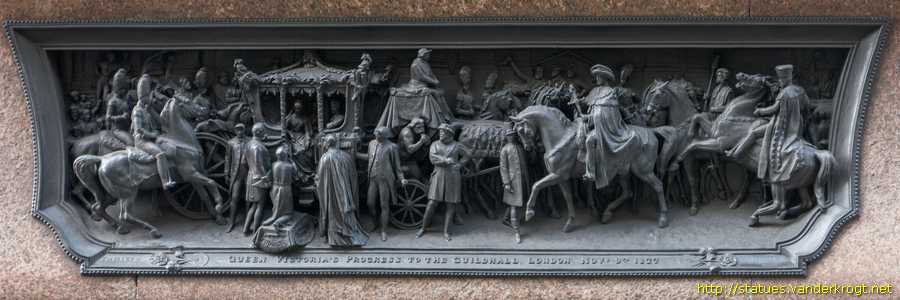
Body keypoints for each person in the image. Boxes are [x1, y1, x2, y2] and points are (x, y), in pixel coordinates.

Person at [729, 65, 809, 184]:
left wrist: (760, 111)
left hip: (781, 125)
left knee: (754, 133)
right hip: (797, 126)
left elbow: (774, 109)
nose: (780, 82)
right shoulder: (800, 91)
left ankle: (736, 154)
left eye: (781, 79)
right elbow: (806, 107)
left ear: (787, 79)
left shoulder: (784, 93)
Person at [570, 64, 646, 188]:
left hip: (606, 129)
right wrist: (576, 100)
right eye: (596, 77)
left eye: (599, 77)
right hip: (592, 124)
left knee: (590, 140)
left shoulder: (610, 92)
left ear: (605, 78)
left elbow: (608, 115)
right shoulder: (594, 91)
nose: (597, 79)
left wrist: (589, 118)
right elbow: (585, 102)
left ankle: (591, 172)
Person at [417, 124, 469, 241]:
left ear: (449, 134)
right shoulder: (435, 144)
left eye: (443, 132)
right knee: (432, 203)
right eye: (440, 132)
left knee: (450, 205)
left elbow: (467, 155)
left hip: (453, 176)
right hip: (438, 175)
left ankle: (446, 231)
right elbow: (433, 158)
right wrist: (445, 160)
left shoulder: (457, 145)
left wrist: (459, 165)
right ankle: (423, 227)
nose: (440, 134)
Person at [317, 134, 368, 247]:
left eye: (324, 143)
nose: (322, 145)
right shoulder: (346, 156)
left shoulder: (325, 158)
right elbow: (353, 176)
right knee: (344, 211)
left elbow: (320, 180)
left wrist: (317, 183)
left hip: (331, 193)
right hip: (346, 193)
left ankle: (336, 238)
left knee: (333, 212)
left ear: (328, 144)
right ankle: (349, 232)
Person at [356, 127, 406, 241]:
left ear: (385, 136)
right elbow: (369, 158)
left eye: (379, 135)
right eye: (376, 134)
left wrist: (402, 178)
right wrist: (355, 154)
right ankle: (376, 222)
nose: (376, 136)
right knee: (370, 203)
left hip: (385, 180)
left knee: (384, 205)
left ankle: (384, 230)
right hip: (373, 178)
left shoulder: (392, 147)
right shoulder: (372, 144)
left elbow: (397, 166)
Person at [131, 74, 177, 190]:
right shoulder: (137, 110)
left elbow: (160, 121)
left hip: (154, 138)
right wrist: (153, 134)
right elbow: (139, 130)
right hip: (142, 141)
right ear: (142, 97)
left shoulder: (148, 109)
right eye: (148, 97)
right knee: (160, 154)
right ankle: (165, 182)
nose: (151, 99)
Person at [499, 128, 528, 244]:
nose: (512, 137)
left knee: (515, 203)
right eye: (509, 135)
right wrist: (506, 183)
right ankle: (517, 232)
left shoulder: (520, 147)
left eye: (513, 135)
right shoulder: (505, 150)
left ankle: (506, 219)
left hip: (522, 180)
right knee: (514, 207)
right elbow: (503, 167)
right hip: (512, 181)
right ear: (506, 137)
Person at [243, 123, 272, 235]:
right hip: (259, 178)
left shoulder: (248, 144)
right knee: (260, 206)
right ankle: (256, 232)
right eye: (264, 131)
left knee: (254, 205)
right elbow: (259, 165)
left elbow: (243, 162)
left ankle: (246, 229)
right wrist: (266, 179)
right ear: (259, 132)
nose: (266, 132)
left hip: (251, 177)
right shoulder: (258, 147)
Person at [221, 123, 249, 232]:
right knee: (234, 198)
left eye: (241, 130)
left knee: (248, 198)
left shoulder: (250, 141)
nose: (240, 132)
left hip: (248, 173)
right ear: (235, 131)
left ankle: (248, 222)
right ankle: (232, 222)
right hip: (236, 174)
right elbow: (228, 159)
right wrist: (226, 173)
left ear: (244, 130)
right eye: (238, 130)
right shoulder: (231, 143)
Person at [264, 145, 298, 226]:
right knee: (288, 213)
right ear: (285, 155)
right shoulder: (289, 166)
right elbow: (296, 176)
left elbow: (268, 177)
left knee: (276, 208)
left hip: (274, 189)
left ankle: (274, 217)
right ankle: (277, 222)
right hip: (285, 189)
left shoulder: (273, 165)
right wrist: (293, 162)